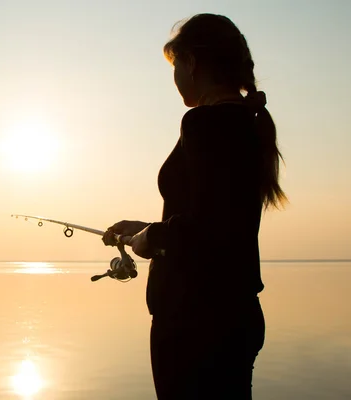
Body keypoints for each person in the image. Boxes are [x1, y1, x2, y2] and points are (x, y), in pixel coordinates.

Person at [103, 13, 287, 400]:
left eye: (175, 66)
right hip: (233, 315)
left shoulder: (205, 124)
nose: (175, 78)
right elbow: (217, 216)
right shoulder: (242, 122)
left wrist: (150, 237)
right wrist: (145, 227)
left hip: (195, 322)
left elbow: (207, 230)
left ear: (192, 62)